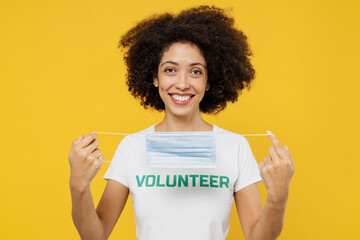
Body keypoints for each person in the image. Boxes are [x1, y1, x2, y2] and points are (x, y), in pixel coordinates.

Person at [68, 5, 295, 240]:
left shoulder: (235, 147)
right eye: (170, 70)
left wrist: (278, 198)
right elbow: (95, 236)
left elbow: (258, 237)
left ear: (209, 80)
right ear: (155, 78)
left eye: (196, 72)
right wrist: (78, 187)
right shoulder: (131, 147)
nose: (183, 83)